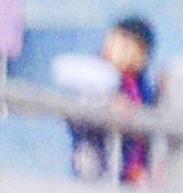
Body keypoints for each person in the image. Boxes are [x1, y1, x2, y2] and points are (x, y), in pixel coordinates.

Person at [61, 14, 161, 182]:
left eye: (131, 47)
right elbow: (77, 115)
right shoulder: (95, 75)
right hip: (99, 156)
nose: (122, 51)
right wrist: (107, 103)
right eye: (117, 42)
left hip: (133, 164)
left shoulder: (142, 85)